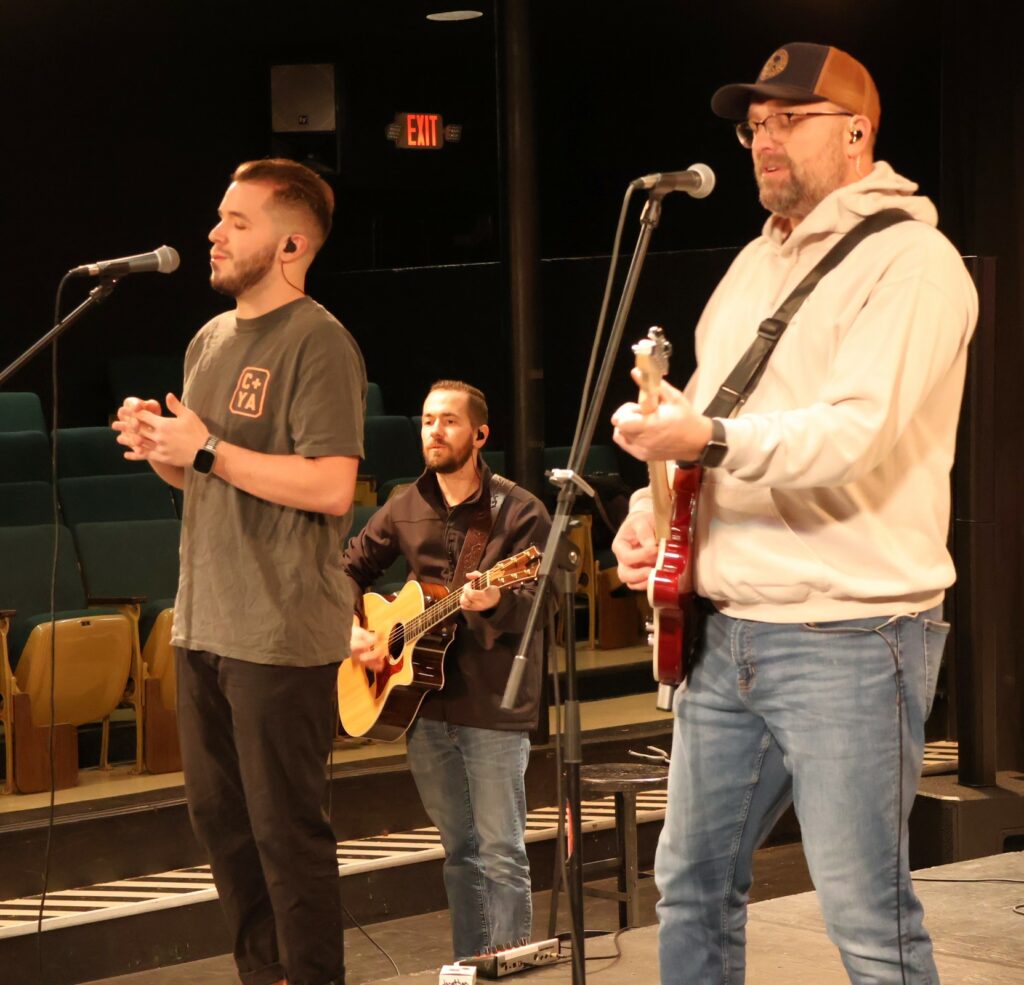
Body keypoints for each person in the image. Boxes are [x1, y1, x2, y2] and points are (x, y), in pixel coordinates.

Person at [610, 43, 977, 985]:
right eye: (753, 125)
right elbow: (709, 412)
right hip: (726, 632)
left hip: (850, 636)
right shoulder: (749, 266)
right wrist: (653, 510)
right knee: (689, 884)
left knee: (866, 915)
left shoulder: (913, 264)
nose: (763, 139)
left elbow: (854, 434)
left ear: (856, 131)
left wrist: (705, 440)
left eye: (789, 119)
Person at [113, 158, 365, 985]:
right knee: (221, 824)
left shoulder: (318, 340)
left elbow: (330, 486)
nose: (214, 234)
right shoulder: (209, 339)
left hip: (280, 629)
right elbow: (202, 477)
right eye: (218, 217)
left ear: (290, 243)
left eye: (237, 222)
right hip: (205, 621)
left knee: (285, 833)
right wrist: (164, 448)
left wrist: (209, 449)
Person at [343, 380, 551, 961]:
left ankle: (511, 964)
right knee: (459, 850)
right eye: (428, 420)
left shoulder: (520, 510)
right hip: (422, 704)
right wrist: (353, 628)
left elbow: (544, 595)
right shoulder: (403, 505)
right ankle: (470, 966)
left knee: (501, 849)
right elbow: (346, 569)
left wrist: (498, 601)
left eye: (449, 422)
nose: (434, 431)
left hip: (492, 701)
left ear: (480, 435)